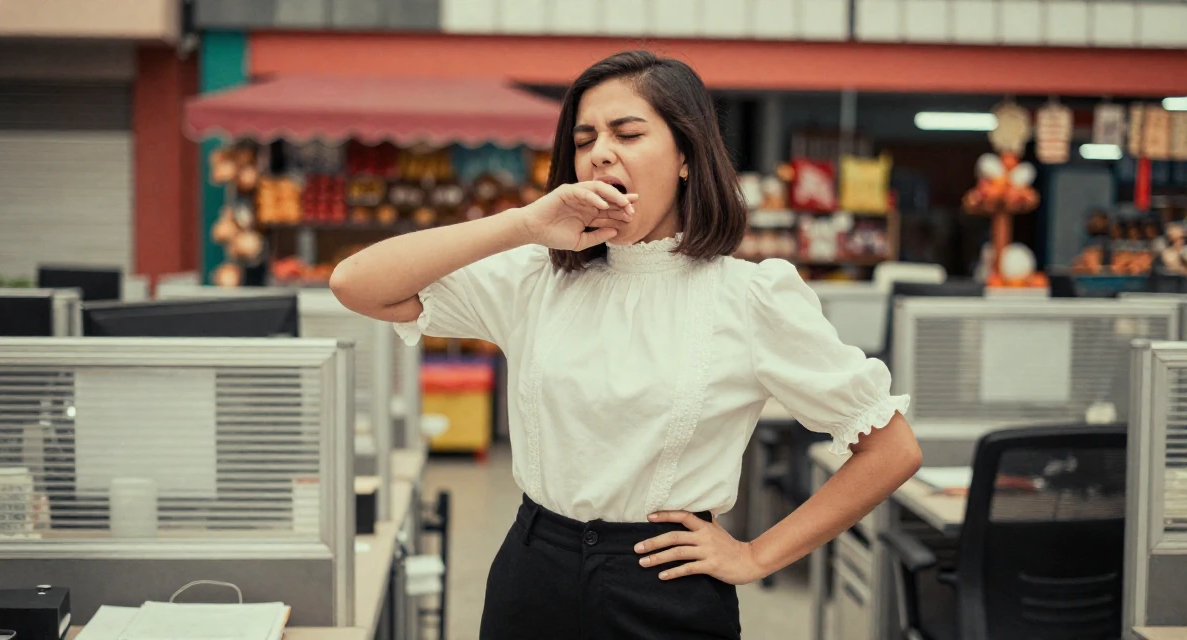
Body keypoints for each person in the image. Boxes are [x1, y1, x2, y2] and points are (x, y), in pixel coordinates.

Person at [331, 50, 922, 639]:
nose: (600, 153)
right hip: (533, 576)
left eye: (628, 134)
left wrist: (756, 555)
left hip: (665, 590)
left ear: (686, 155)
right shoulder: (536, 278)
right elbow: (356, 284)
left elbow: (891, 450)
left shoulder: (750, 296)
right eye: (584, 139)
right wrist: (524, 224)